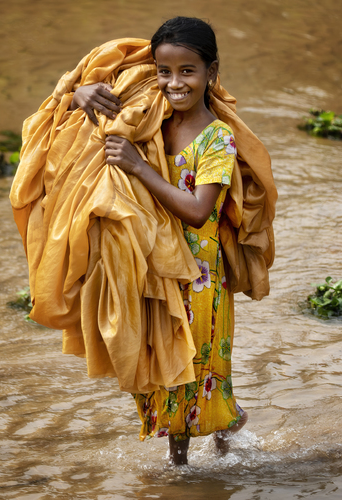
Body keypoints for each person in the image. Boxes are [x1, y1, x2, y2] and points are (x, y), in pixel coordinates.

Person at [69, 17, 249, 465]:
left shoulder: (217, 138)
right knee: (160, 368)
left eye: (187, 70)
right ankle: (188, 460)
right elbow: (64, 125)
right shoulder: (150, 117)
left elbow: (197, 209)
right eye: (163, 71)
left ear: (211, 71)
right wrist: (79, 93)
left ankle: (214, 447)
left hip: (200, 276)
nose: (174, 83)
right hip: (151, 266)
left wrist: (138, 167)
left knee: (196, 367)